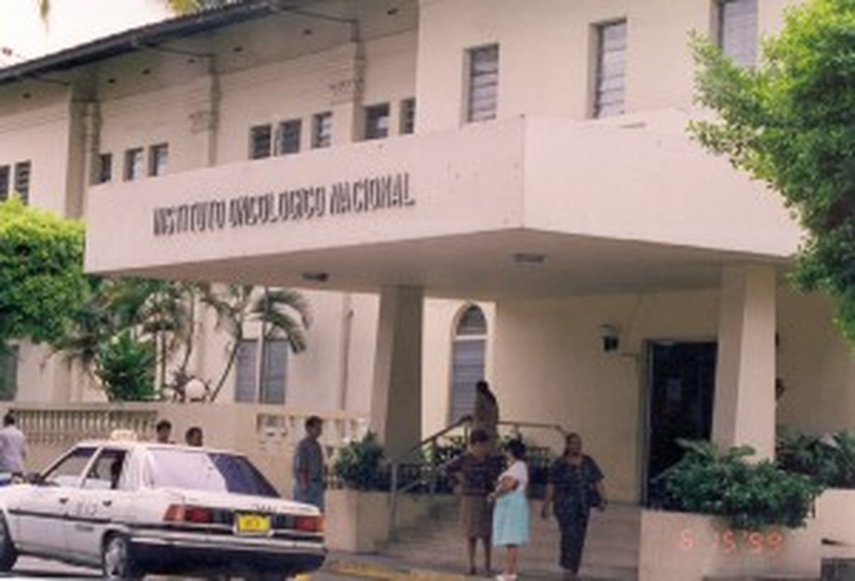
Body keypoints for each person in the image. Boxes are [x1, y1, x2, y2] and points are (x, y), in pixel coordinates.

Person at [541, 433, 606, 579]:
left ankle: (574, 570)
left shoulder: (588, 462)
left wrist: (603, 499)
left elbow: (597, 481)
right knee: (569, 536)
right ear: (568, 445)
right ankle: (567, 569)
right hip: (564, 506)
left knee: (579, 538)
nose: (577, 446)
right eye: (574, 443)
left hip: (583, 505)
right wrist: (546, 505)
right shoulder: (559, 464)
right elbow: (551, 485)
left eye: (579, 443)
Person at [446, 428, 501, 576]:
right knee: (471, 534)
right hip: (470, 498)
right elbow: (448, 468)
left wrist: (497, 494)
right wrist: (458, 482)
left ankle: (487, 565)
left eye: (485, 445)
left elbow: (495, 479)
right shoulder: (464, 459)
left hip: (485, 498)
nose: (484, 448)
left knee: (486, 534)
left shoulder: (490, 460)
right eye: (481, 445)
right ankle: (471, 565)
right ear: (474, 444)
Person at [488, 439, 529, 581]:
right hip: (509, 505)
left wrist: (495, 494)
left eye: (506, 450)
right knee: (509, 540)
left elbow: (509, 485)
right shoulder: (514, 466)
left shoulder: (519, 465)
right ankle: (509, 571)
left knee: (512, 539)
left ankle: (509, 572)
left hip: (512, 505)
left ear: (511, 451)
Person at [293, 416, 325, 510]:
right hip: (306, 485)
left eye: (320, 428)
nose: (320, 430)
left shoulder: (317, 446)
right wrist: (304, 484)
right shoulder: (303, 445)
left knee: (317, 514)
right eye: (317, 427)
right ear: (308, 428)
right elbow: (300, 466)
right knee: (303, 513)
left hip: (317, 485)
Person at [472, 380, 500, 451]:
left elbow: (477, 413)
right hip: (492, 430)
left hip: (482, 430)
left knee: (481, 453)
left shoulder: (480, 397)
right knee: (491, 452)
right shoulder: (492, 398)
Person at [0, 412, 27, 478]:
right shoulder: (20, 434)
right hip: (18, 467)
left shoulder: (2, 433)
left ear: (5, 422)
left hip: (6, 467)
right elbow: (24, 452)